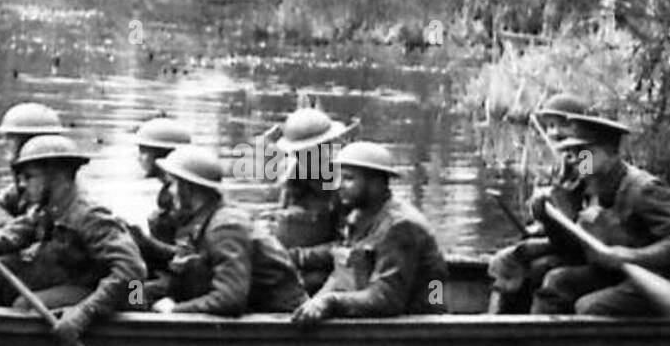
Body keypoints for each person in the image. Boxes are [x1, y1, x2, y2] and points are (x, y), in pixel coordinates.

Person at [0, 133, 145, 344]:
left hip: (99, 294)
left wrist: (85, 312)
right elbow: (21, 230)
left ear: (56, 176)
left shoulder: (88, 215)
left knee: (23, 307)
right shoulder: (47, 208)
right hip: (68, 282)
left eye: (29, 177)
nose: (21, 184)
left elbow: (133, 271)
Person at [530, 114, 670, 316]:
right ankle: (538, 344)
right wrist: (547, 219)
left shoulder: (644, 190)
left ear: (611, 153)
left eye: (585, 152)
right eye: (574, 152)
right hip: (619, 275)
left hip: (669, 282)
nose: (577, 159)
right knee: (557, 282)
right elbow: (571, 251)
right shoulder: (585, 188)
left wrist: (631, 256)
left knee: (589, 307)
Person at [292, 141, 448, 326]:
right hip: (380, 305)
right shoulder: (360, 214)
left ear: (376, 183)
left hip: (421, 321)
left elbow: (386, 298)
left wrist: (330, 301)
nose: (339, 185)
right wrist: (312, 299)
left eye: (348, 179)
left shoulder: (401, 226)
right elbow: (343, 263)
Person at [146, 145, 307, 316]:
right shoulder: (204, 219)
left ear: (187, 188)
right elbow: (183, 270)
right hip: (254, 311)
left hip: (278, 322)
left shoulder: (225, 226)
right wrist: (145, 248)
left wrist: (175, 310)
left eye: (172, 184)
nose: (169, 192)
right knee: (139, 293)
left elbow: (230, 299)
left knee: (139, 293)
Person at [486, 92, 591, 314]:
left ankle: (512, 326)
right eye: (550, 125)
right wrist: (538, 226)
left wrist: (549, 214)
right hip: (564, 240)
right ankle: (498, 321)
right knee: (510, 260)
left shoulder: (587, 162)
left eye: (562, 125)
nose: (554, 132)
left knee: (525, 263)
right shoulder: (564, 163)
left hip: (581, 247)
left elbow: (580, 211)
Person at [265, 105, 354, 292]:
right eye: (299, 153)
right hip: (291, 263)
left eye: (312, 152)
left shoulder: (344, 185)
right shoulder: (293, 177)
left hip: (332, 272)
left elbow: (350, 248)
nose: (304, 158)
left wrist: (299, 257)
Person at [0, 102, 65, 231]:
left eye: (11, 145)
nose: (9, 157)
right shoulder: (23, 187)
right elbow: (0, 202)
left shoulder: (58, 191)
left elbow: (37, 241)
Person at [129, 115, 192, 264]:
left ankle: (135, 288)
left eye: (144, 152)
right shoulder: (170, 191)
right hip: (170, 271)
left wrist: (144, 242)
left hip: (184, 277)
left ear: (161, 156)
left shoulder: (185, 196)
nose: (139, 158)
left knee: (132, 282)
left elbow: (187, 255)